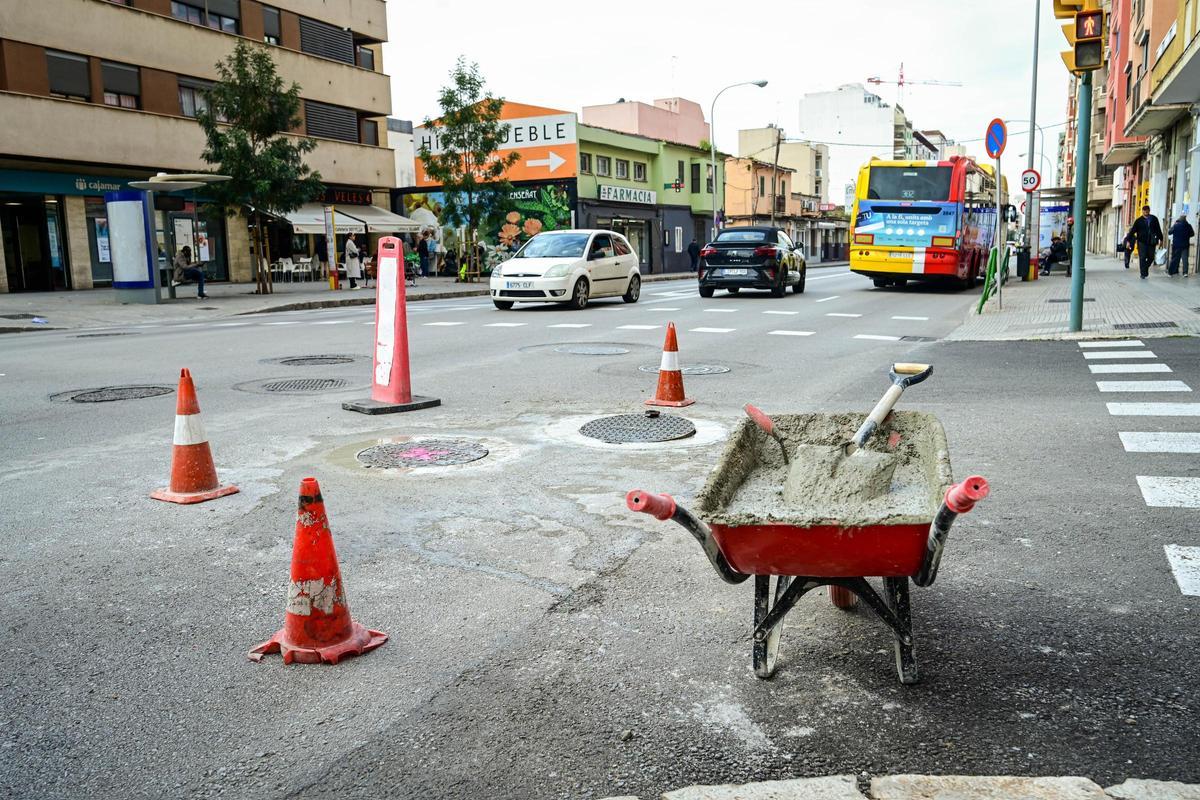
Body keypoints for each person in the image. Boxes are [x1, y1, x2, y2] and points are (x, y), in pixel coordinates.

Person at [1127, 205, 1163, 279]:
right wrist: (1128, 240)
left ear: (1149, 211)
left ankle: (1145, 268)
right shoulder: (1138, 221)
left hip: (1151, 242)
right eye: (1144, 211)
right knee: (1142, 257)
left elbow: (1158, 229)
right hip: (1142, 242)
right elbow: (1132, 231)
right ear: (1142, 211)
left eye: (1147, 210)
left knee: (1151, 257)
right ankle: (1143, 274)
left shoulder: (1154, 219)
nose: (1146, 212)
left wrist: (1161, 239)